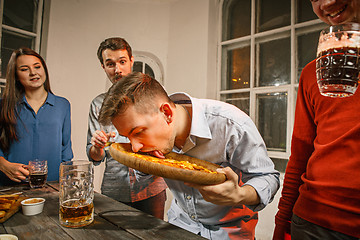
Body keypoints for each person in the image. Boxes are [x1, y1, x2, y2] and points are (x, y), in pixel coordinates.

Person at [97, 72, 280, 239]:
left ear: (167, 113)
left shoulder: (231, 124)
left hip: (230, 232)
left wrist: (240, 194)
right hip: (179, 225)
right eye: (128, 136)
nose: (135, 147)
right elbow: (143, 179)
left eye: (138, 132)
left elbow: (268, 177)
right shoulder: (148, 141)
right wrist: (146, 164)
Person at [273, 1, 360, 239]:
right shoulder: (313, 73)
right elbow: (300, 153)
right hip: (311, 223)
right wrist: (282, 221)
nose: (326, 3)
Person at [86, 37, 167, 219]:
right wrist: (97, 147)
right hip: (115, 190)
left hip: (151, 188)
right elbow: (94, 157)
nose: (117, 70)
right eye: (110, 64)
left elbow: (166, 140)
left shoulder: (152, 96)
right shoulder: (98, 104)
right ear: (103, 67)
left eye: (122, 62)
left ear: (131, 61)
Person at [0, 47, 73, 186]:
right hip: (10, 187)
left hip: (52, 186)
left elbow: (66, 150)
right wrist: (3, 165)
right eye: (24, 69)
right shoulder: (3, 106)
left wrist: (66, 183)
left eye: (37, 67)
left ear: (44, 69)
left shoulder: (63, 105)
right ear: (15, 75)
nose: (33, 73)